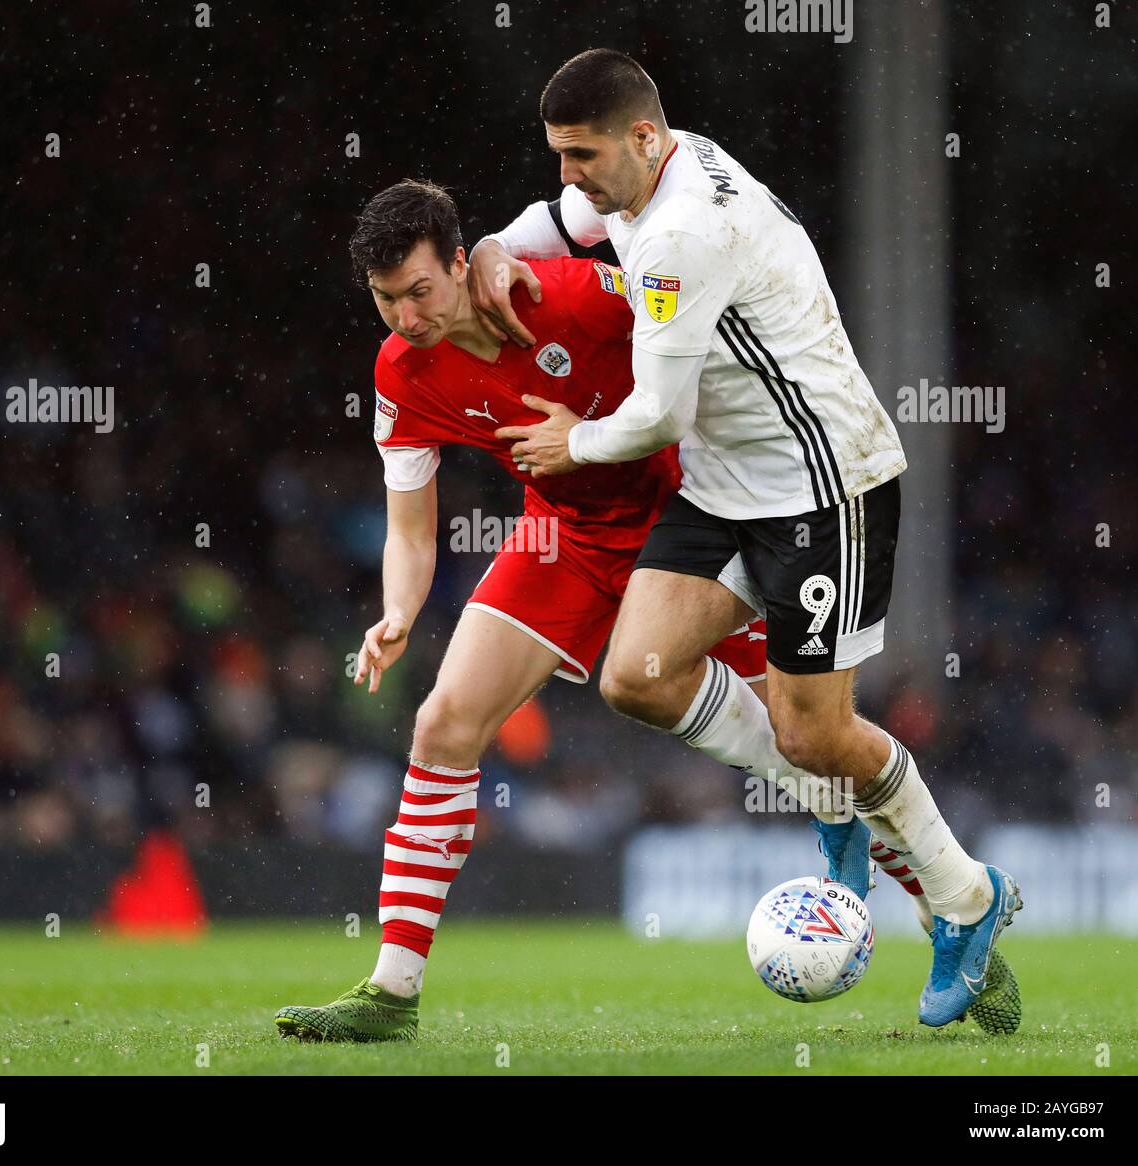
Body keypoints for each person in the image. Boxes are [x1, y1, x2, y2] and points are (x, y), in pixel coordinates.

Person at [468, 49, 1021, 1033]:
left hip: (824, 487)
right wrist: (495, 250)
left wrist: (570, 442)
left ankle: (968, 898)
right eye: (556, 154)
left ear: (641, 139)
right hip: (730, 488)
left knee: (815, 726)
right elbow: (556, 222)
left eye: (580, 154)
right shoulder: (650, 171)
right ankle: (825, 793)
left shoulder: (684, 230)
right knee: (635, 675)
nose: (569, 176)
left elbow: (654, 416)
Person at [273, 179, 844, 1043]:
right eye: (386, 300)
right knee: (442, 724)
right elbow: (411, 531)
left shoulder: (569, 297)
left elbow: (704, 338)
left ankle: (951, 902)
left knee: (814, 740)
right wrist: (396, 611)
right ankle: (391, 992)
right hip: (564, 542)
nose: (406, 316)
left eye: (420, 292)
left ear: (462, 265)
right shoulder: (401, 373)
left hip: (696, 531)